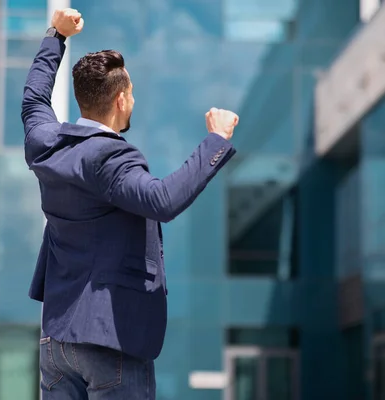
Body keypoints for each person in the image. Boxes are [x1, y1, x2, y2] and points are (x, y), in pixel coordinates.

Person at [21, 8, 239, 400]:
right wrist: (216, 141)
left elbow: (34, 96)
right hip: (110, 339)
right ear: (121, 99)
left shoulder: (45, 143)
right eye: (133, 93)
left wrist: (55, 36)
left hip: (56, 341)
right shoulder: (109, 158)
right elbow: (162, 199)